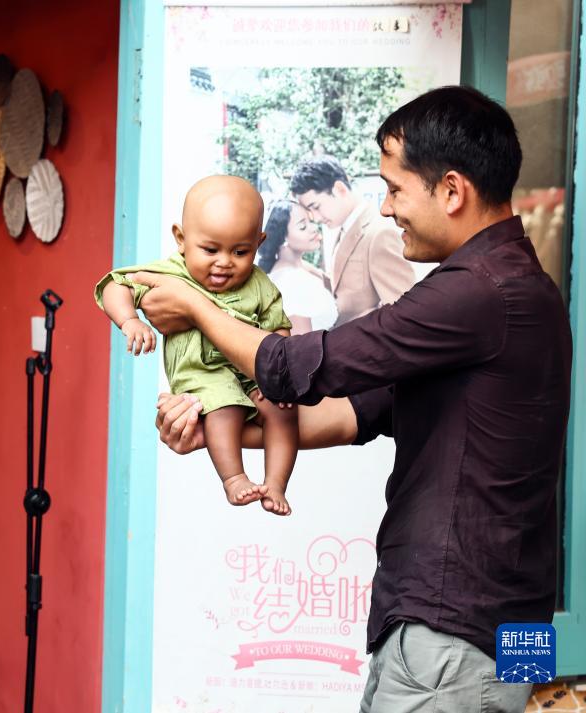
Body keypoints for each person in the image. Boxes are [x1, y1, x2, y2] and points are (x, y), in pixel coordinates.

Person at [137, 87, 571, 712]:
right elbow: (353, 413)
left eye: (395, 189)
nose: (386, 208)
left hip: (451, 631)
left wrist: (197, 305)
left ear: (452, 191)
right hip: (508, 623)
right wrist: (213, 429)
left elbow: (296, 367)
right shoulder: (527, 289)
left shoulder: (479, 291)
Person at [95, 175, 297, 514]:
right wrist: (129, 320)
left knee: (283, 410)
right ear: (181, 238)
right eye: (210, 250)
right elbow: (117, 285)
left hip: (251, 371)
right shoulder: (171, 272)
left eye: (240, 251)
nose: (224, 261)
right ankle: (234, 478)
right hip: (203, 372)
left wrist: (280, 380)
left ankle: (276, 483)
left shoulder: (261, 285)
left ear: (258, 243)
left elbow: (279, 331)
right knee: (223, 403)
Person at [290, 155, 416, 325]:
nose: (317, 218)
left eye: (316, 207)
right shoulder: (343, 228)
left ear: (339, 189)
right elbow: (343, 287)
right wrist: (296, 263)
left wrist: (367, 320)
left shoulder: (380, 233)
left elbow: (404, 314)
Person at [256, 200, 338, 334]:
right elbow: (300, 343)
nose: (314, 228)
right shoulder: (292, 282)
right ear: (283, 238)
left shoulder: (301, 269)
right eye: (302, 226)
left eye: (310, 221)